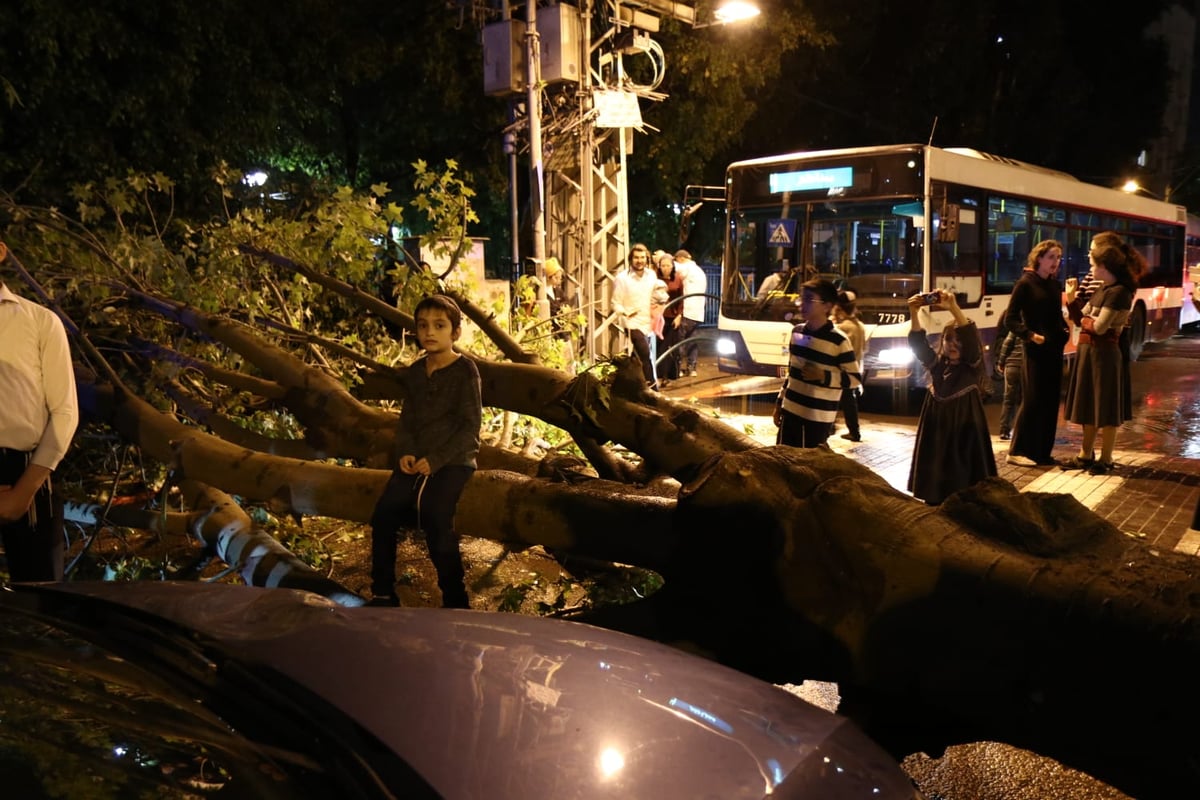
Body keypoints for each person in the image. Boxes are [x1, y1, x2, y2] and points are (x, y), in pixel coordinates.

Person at [369, 294, 482, 608]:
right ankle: (382, 592)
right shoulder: (417, 372)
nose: (430, 332)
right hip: (416, 459)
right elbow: (407, 419)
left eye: (439, 325)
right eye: (423, 326)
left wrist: (436, 460)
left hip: (454, 460)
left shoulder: (466, 371)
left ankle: (455, 598)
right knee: (383, 514)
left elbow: (470, 427)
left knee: (435, 515)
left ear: (455, 333)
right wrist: (405, 451)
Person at [0, 240, 79, 583]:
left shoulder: (40, 322)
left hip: (28, 474)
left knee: (41, 604)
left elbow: (65, 412)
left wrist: (22, 493)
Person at [1060, 231, 1144, 474]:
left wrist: (1085, 316)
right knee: (1088, 404)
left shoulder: (1119, 292)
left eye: (1093, 263)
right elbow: (1080, 319)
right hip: (1089, 352)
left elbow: (1099, 327)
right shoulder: (1103, 288)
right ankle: (1085, 454)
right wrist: (1073, 301)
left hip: (1105, 355)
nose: (1090, 267)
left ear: (1104, 266)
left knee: (1106, 407)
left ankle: (1105, 458)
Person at [906, 289, 997, 505]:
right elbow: (919, 346)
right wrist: (913, 312)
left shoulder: (971, 368)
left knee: (961, 476)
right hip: (938, 434)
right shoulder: (938, 367)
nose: (953, 344)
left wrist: (954, 308)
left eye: (959, 341)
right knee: (937, 474)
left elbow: (970, 339)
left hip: (963, 435)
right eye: (948, 339)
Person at [773, 278, 862, 447]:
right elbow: (792, 372)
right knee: (782, 462)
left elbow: (855, 379)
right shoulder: (796, 332)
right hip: (790, 411)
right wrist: (779, 404)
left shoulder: (839, 341)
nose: (801, 304)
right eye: (801, 298)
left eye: (808, 299)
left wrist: (823, 376)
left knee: (807, 467)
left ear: (827, 306)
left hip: (817, 418)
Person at [1004, 239, 1069, 467]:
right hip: (1034, 350)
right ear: (1039, 258)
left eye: (1058, 258)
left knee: (1051, 402)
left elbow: (1056, 316)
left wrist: (1064, 330)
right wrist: (1030, 335)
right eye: (1051, 257)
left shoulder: (1054, 285)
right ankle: (1018, 450)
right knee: (1032, 399)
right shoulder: (1025, 284)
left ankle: (1042, 452)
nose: (1055, 262)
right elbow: (1009, 319)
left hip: (1054, 349)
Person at [611, 243, 659, 387]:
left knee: (636, 357)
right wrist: (624, 312)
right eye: (636, 258)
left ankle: (622, 385)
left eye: (642, 257)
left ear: (647, 259)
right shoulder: (622, 279)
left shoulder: (651, 275)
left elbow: (657, 294)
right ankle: (653, 388)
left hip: (647, 322)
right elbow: (615, 303)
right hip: (631, 323)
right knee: (645, 354)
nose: (640, 261)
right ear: (631, 259)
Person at [832, 289, 865, 442]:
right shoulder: (860, 326)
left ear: (839, 308)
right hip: (854, 369)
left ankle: (833, 427)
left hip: (841, 372)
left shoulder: (842, 328)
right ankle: (854, 431)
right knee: (848, 401)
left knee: (837, 400)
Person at [674, 249, 708, 378]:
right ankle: (692, 368)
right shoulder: (699, 270)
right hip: (698, 312)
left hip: (688, 310)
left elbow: (675, 269)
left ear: (681, 259)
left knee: (680, 341)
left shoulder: (687, 268)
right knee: (692, 340)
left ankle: (677, 369)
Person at [654, 250, 683, 385]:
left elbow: (681, 298)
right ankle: (658, 375)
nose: (665, 268)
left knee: (668, 347)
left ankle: (667, 376)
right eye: (663, 265)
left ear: (673, 266)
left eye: (668, 265)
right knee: (658, 346)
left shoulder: (677, 279)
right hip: (658, 317)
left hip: (672, 317)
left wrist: (679, 315)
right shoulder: (654, 278)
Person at [995, 329, 1023, 441]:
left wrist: (1001, 362)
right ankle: (1021, 431)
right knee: (1024, 401)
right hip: (1025, 366)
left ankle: (1004, 431)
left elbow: (1006, 344)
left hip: (1011, 366)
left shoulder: (1016, 328)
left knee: (1008, 400)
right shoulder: (1033, 327)